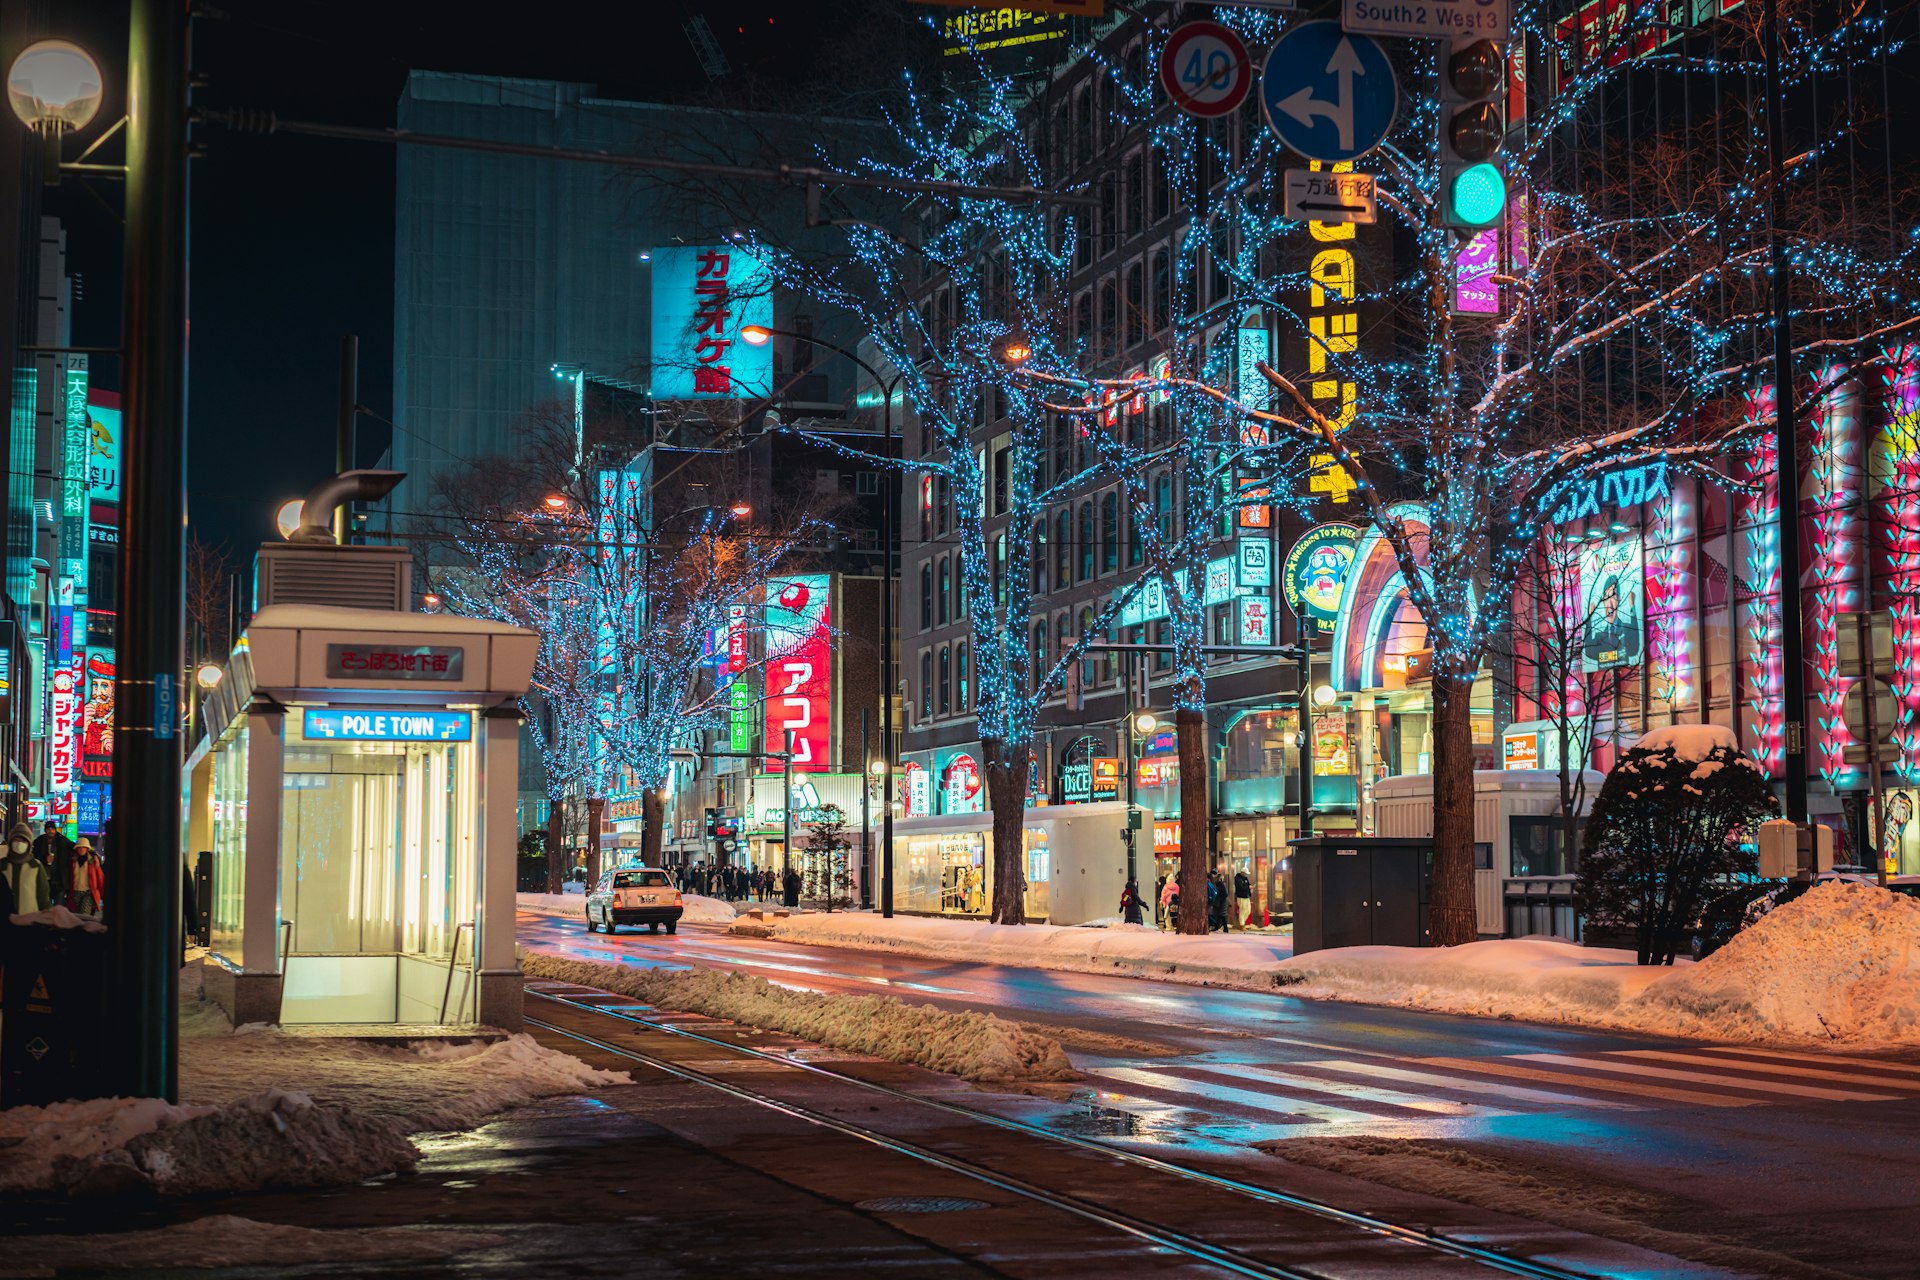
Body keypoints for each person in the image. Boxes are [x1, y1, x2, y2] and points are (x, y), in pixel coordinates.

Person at [3, 821, 51, 914]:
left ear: (29, 844)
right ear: (10, 842)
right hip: (4, 921)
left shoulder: (35, 866)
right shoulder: (2, 865)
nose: (19, 844)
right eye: (16, 840)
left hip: (30, 920)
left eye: (23, 841)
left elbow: (43, 898)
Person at [68, 836, 104, 916]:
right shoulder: (72, 861)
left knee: (84, 914)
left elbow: (100, 878)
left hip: (88, 892)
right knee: (76, 916)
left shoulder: (93, 861)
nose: (81, 849)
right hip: (75, 892)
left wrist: (103, 894)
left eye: (83, 847)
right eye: (79, 847)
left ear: (87, 849)